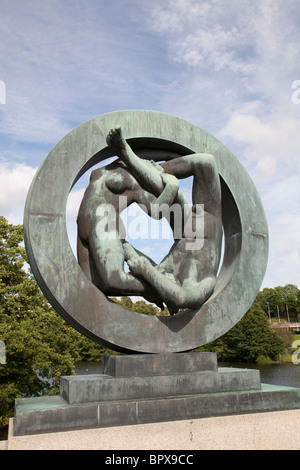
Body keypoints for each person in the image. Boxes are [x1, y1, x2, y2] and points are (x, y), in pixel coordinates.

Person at [77, 126, 222, 314]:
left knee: (110, 277)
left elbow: (179, 297)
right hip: (202, 223)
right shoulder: (195, 277)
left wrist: (146, 269)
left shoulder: (174, 274)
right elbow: (179, 298)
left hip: (183, 231)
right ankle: (140, 161)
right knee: (204, 163)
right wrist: (162, 173)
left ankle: (137, 162)